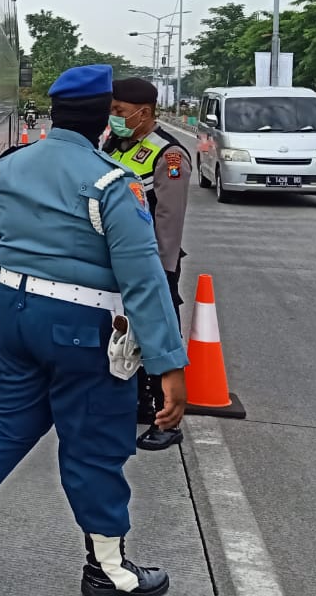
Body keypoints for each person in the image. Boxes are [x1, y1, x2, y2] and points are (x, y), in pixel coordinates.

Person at [0, 64, 188, 595]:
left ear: (54, 113)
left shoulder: (9, 168)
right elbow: (144, 279)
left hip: (17, 315)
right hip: (83, 327)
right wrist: (168, 364)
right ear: (105, 117)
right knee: (95, 443)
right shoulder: (112, 182)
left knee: (11, 421)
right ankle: (109, 569)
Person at [103, 77, 192, 451]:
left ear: (145, 113)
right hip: (116, 261)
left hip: (152, 264)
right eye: (112, 111)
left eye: (120, 112)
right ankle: (138, 405)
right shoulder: (113, 143)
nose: (114, 118)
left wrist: (161, 273)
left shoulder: (169, 156)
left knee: (156, 335)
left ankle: (166, 418)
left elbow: (168, 221)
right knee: (124, 333)